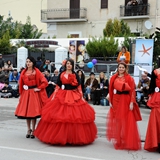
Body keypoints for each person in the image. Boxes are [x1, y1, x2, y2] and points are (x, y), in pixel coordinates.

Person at [34, 59, 97, 145]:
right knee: (59, 116)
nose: (68, 65)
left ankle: (73, 137)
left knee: (74, 116)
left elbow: (79, 87)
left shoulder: (75, 75)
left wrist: (81, 96)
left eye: (70, 64)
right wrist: (54, 95)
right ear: (65, 65)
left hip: (73, 95)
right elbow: (58, 86)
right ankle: (59, 136)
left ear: (72, 65)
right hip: (62, 94)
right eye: (67, 64)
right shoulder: (62, 74)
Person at [106, 62, 142, 150]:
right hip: (116, 99)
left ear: (125, 69)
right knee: (117, 120)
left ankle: (126, 139)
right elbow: (110, 89)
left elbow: (132, 91)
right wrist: (110, 101)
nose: (121, 69)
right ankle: (118, 139)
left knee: (126, 120)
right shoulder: (113, 77)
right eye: (120, 67)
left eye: (122, 67)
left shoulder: (129, 78)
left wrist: (131, 102)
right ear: (117, 68)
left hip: (125, 100)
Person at [15, 56, 48, 139]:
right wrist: (21, 93)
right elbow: (20, 84)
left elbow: (45, 82)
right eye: (27, 62)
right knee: (27, 113)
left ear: (33, 63)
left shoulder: (37, 71)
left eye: (29, 61)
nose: (28, 63)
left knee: (33, 113)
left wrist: (38, 88)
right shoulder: (23, 72)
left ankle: (34, 129)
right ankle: (28, 129)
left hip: (34, 94)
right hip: (26, 94)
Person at [144, 63, 160, 152]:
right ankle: (156, 143)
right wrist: (150, 95)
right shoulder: (155, 72)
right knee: (156, 121)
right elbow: (152, 86)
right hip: (157, 98)